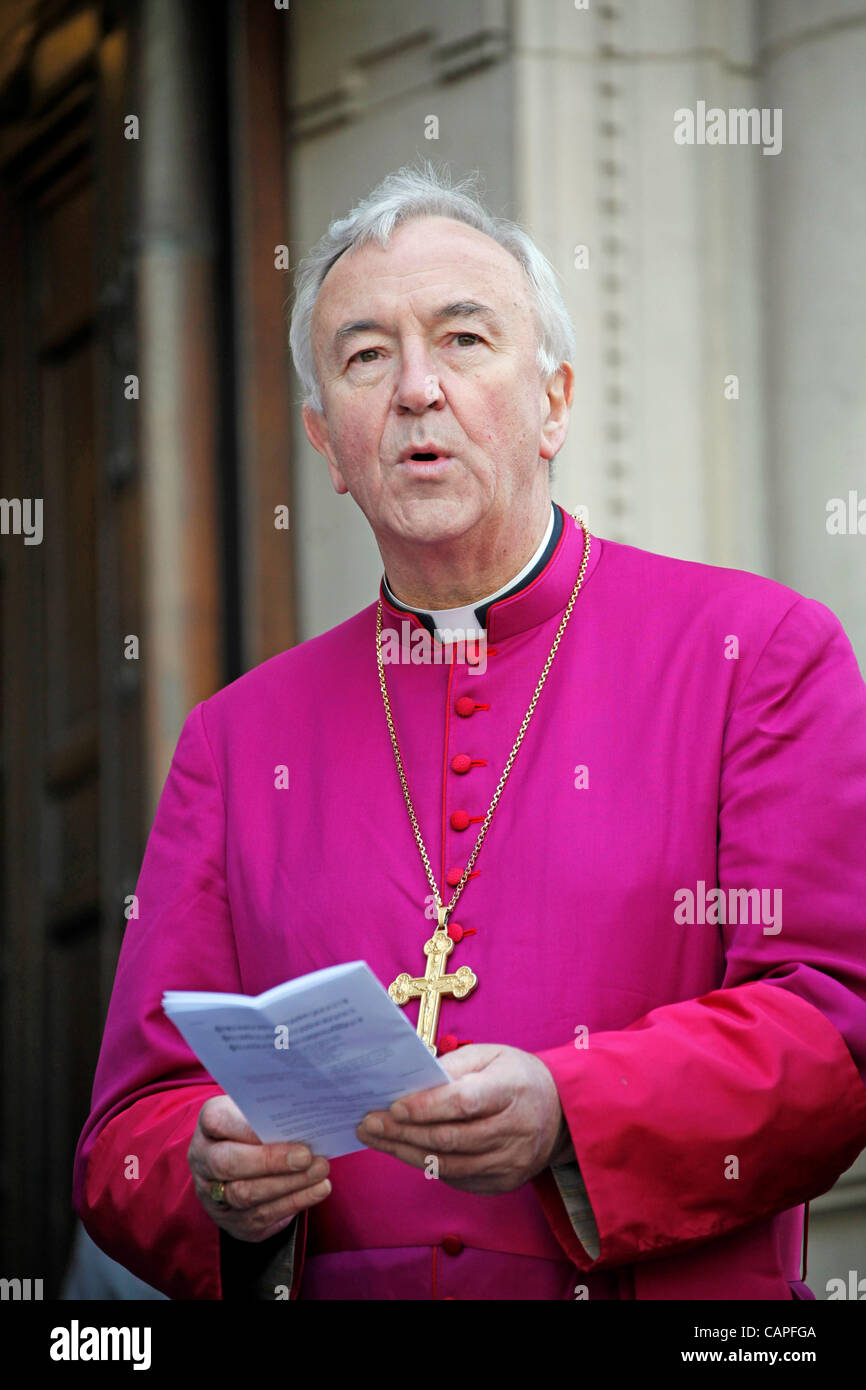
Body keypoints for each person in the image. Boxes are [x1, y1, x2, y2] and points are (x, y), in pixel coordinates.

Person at [73, 164, 866, 1300]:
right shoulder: (235, 740)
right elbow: (123, 1136)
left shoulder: (754, 652)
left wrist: (569, 1111)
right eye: (364, 357)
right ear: (327, 445)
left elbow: (832, 1033)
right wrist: (207, 1171)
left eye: (461, 340)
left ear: (552, 401)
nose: (414, 390)